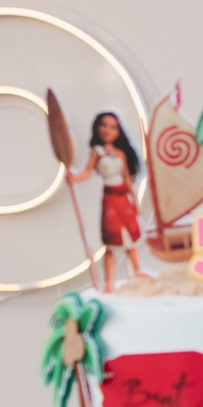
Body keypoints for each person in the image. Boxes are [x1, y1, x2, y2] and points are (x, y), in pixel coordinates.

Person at [69, 110, 144, 287]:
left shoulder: (120, 154)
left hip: (124, 199)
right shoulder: (97, 152)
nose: (108, 131)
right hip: (110, 199)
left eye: (113, 127)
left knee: (129, 241)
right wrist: (75, 177)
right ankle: (109, 282)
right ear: (97, 128)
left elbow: (127, 178)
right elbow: (87, 171)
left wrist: (134, 200)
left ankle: (138, 271)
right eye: (104, 125)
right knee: (111, 243)